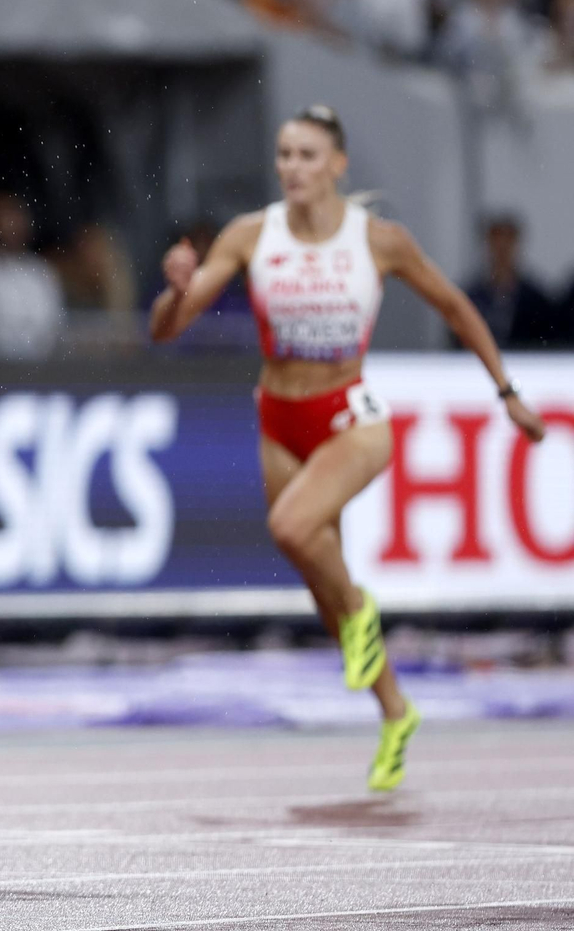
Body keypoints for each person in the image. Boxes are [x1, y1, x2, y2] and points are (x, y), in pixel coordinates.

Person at [150, 105, 545, 792]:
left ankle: (363, 613)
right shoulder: (251, 235)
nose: (292, 168)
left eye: (307, 155)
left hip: (349, 419)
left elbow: (453, 305)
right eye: (284, 154)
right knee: (320, 582)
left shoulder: (378, 240)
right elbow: (166, 330)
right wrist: (176, 291)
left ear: (338, 165)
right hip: (279, 417)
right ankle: (396, 711)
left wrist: (506, 389)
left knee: (292, 530)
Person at [461, 214, 563, 349]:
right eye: (496, 243)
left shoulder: (537, 301)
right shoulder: (470, 297)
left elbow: (547, 343)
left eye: (507, 243)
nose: (501, 250)